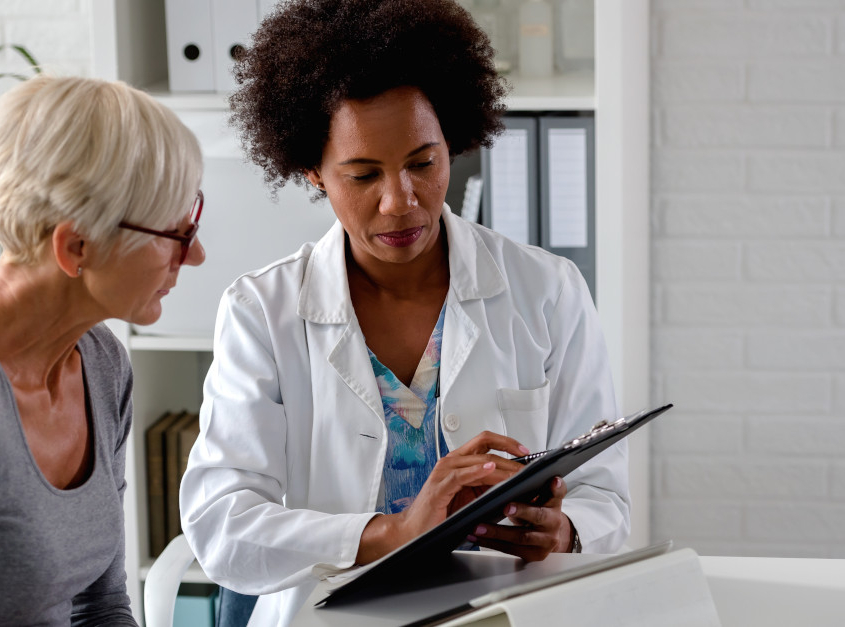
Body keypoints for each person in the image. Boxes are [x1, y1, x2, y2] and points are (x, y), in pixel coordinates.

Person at [180, 0, 629, 624]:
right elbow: (222, 526)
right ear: (312, 170)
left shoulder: (548, 290)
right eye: (364, 175)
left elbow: (605, 493)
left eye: (423, 163)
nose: (400, 202)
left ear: (454, 141)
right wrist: (391, 532)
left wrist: (565, 531)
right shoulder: (263, 312)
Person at [0, 75, 205, 625]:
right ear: (76, 247)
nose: (197, 254)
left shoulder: (103, 364)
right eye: (175, 234)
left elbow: (100, 603)